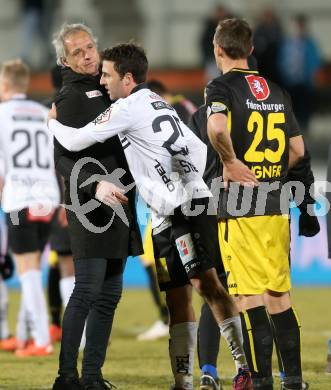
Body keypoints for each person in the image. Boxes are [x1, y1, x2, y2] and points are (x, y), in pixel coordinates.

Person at [48, 42, 254, 390]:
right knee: (176, 295)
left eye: (108, 75)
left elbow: (79, 140)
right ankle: (182, 381)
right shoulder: (156, 102)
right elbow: (199, 149)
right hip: (166, 213)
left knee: (207, 285)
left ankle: (242, 368)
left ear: (127, 78)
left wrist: (51, 123)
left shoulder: (128, 107)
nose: (102, 82)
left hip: (184, 208)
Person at [207, 18, 308, 390]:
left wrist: (232, 163)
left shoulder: (220, 87)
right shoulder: (278, 90)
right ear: (250, 50)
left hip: (239, 205)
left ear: (218, 49)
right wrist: (272, 172)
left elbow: (217, 128)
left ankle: (262, 381)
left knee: (248, 297)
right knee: (279, 295)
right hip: (276, 203)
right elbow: (298, 150)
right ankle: (294, 381)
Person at [50, 24, 142, 390]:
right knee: (87, 289)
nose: (88, 55)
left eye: (90, 47)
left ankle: (91, 376)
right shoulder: (71, 97)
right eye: (78, 52)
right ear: (65, 60)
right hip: (90, 207)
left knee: (109, 295)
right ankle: (66, 377)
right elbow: (61, 158)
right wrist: (94, 185)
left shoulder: (108, 89)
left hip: (119, 204)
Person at [0, 59, 60, 357]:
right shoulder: (41, 113)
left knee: (26, 267)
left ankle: (41, 340)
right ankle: (24, 335)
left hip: (17, 199)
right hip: (47, 197)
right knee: (33, 265)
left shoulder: (1, 116)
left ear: (5, 85)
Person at [136, 79, 197, 342]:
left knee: (152, 257)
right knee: (200, 269)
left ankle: (167, 317)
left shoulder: (166, 111)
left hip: (172, 199)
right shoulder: (186, 106)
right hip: (195, 195)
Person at [278, 14, 321, 134]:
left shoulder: (309, 43)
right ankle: (294, 130)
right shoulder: (287, 43)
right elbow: (282, 60)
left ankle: (304, 129)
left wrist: (313, 76)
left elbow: (314, 62)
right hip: (290, 81)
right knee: (292, 107)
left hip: (305, 81)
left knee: (305, 107)